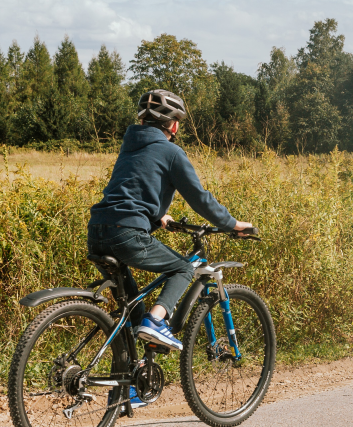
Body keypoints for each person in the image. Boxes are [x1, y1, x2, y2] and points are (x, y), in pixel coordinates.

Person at [87, 88, 253, 353]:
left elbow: (131, 190)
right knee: (183, 269)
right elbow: (199, 199)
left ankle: (130, 383)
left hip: (97, 232)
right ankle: (156, 320)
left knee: (133, 312)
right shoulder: (171, 152)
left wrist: (157, 215)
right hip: (126, 234)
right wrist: (231, 224)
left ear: (142, 122)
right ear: (174, 125)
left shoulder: (128, 147)